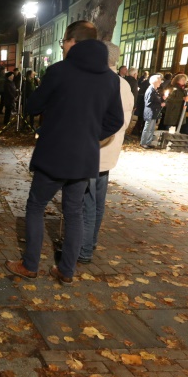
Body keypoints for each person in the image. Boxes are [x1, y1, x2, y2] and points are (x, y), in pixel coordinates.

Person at [5, 20, 123, 286]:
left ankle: (30, 265)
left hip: (55, 154)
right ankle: (66, 270)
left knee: (35, 206)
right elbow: (115, 121)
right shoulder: (110, 78)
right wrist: (90, 135)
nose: (62, 47)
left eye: (64, 42)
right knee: (74, 213)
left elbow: (33, 106)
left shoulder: (60, 71)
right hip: (85, 157)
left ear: (73, 42)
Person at [79, 42, 134, 264]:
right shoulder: (124, 86)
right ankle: (90, 241)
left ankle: (83, 249)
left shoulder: (100, 83)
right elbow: (126, 121)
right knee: (98, 201)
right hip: (110, 153)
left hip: (95, 151)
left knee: (87, 203)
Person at [140, 74, 164, 148]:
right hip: (150, 112)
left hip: (154, 112)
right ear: (155, 82)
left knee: (151, 128)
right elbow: (148, 103)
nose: (160, 83)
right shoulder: (151, 90)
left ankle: (148, 142)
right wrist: (160, 105)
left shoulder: (154, 90)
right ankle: (143, 142)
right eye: (159, 81)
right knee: (147, 128)